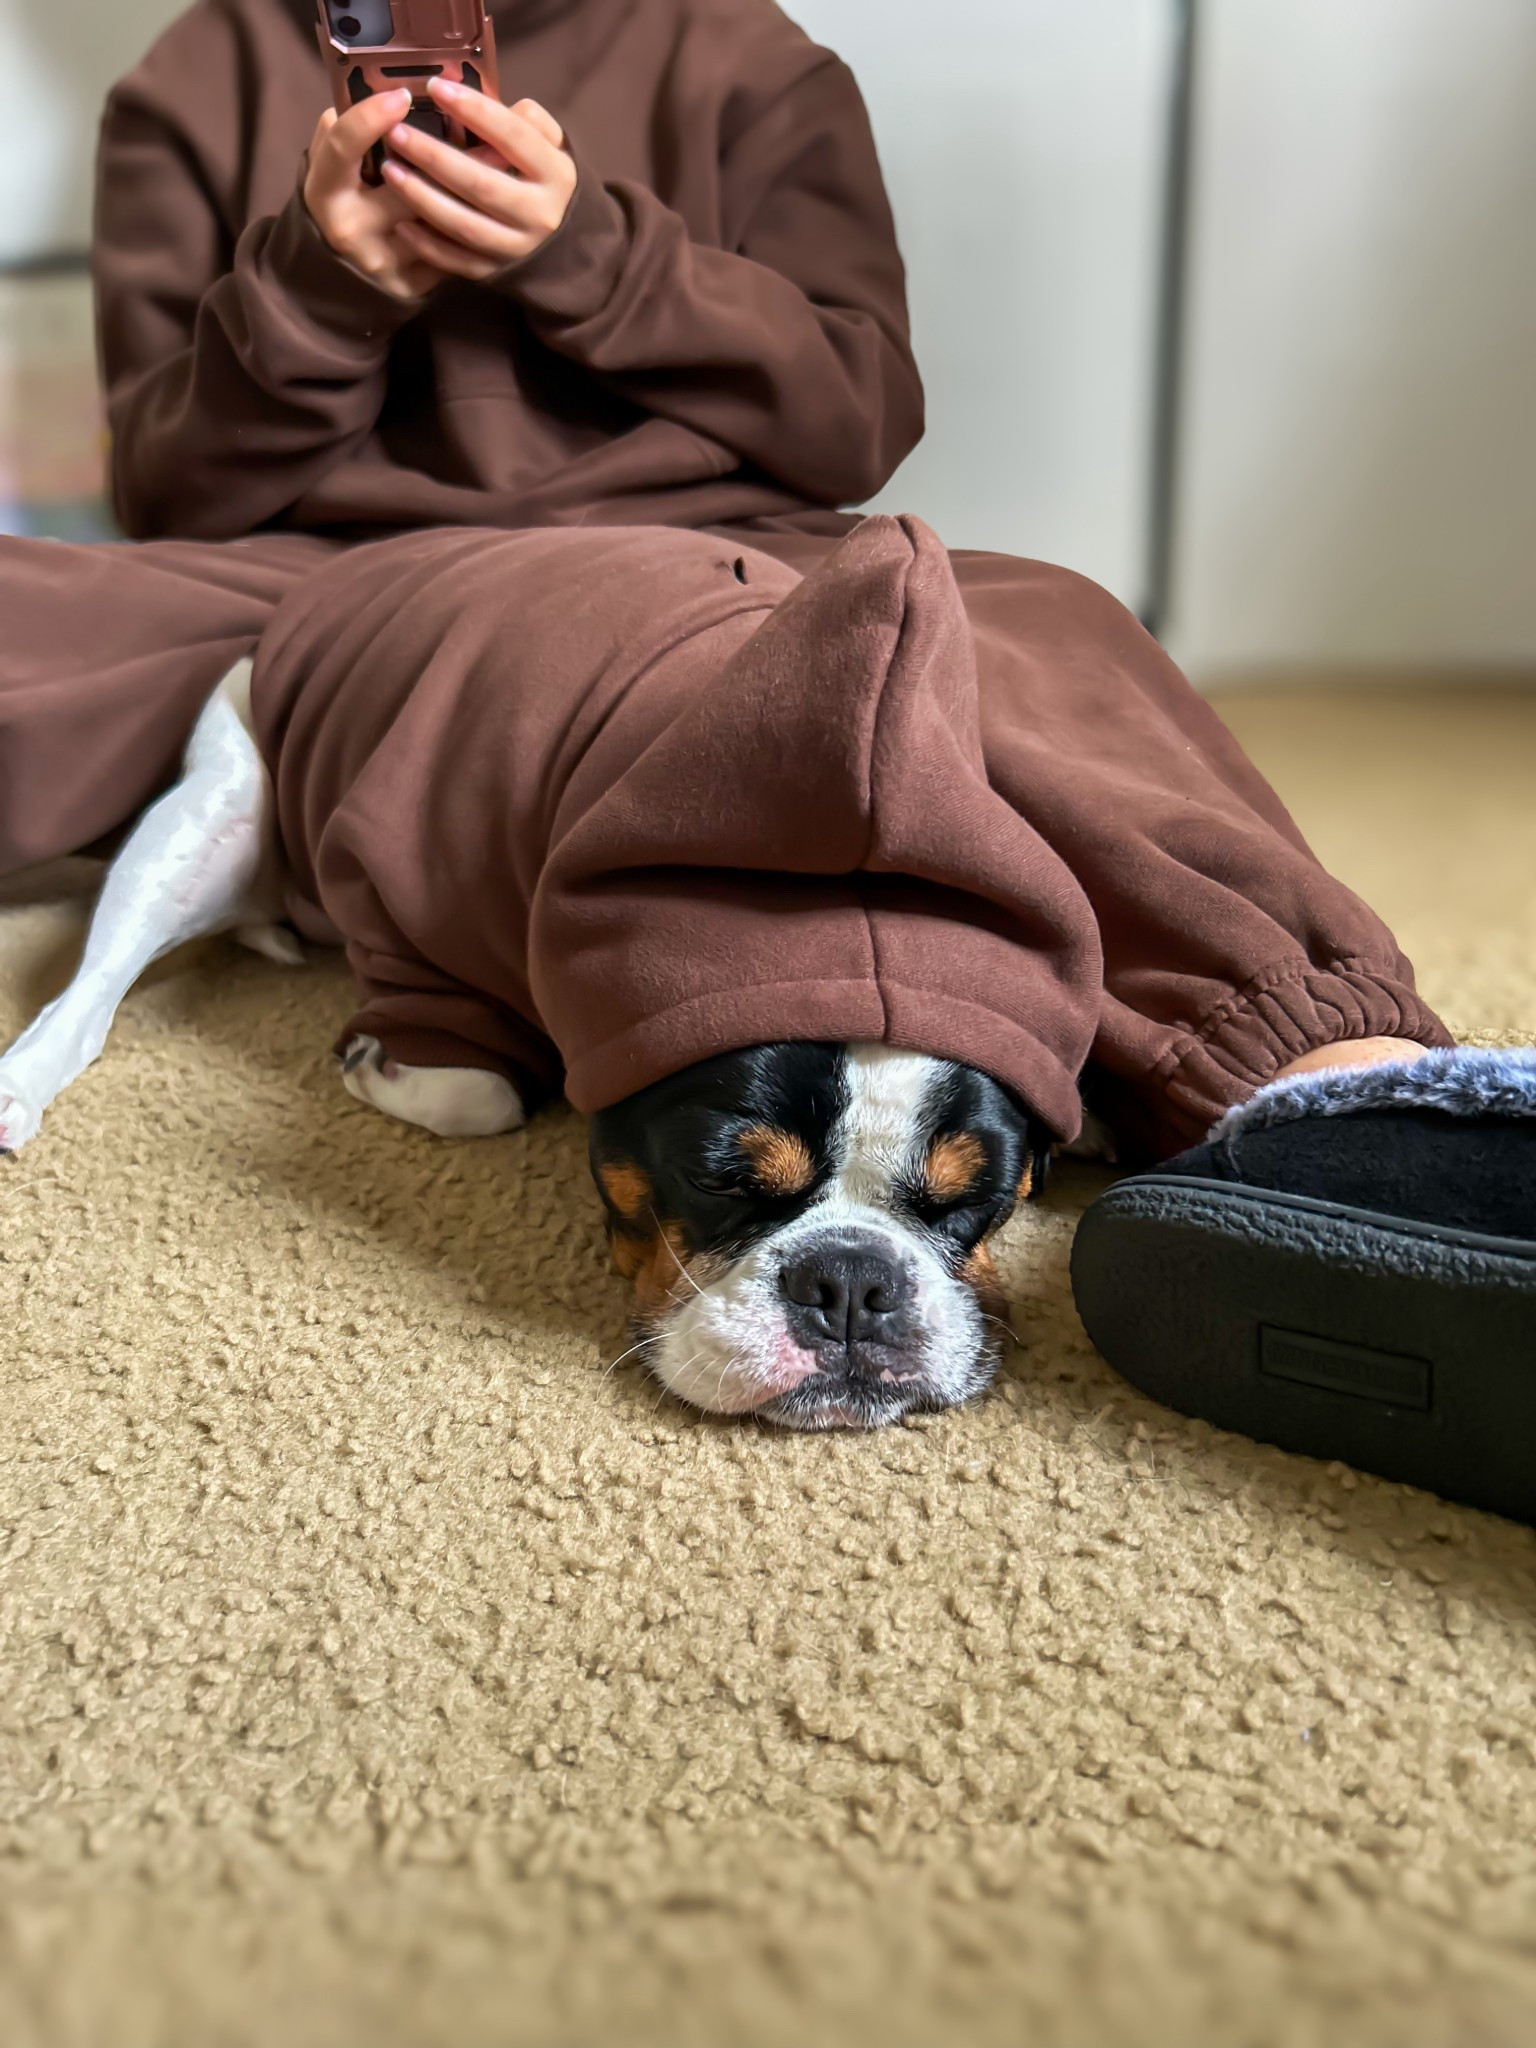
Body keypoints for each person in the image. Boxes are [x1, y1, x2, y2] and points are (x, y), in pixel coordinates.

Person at [2, 0, 1529, 1513]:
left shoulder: (751, 56)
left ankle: (1351, 1111)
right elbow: (171, 489)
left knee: (1038, 640)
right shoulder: (188, 82)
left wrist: (587, 253)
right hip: (353, 582)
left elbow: (856, 415)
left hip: (741, 552)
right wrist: (320, 290)